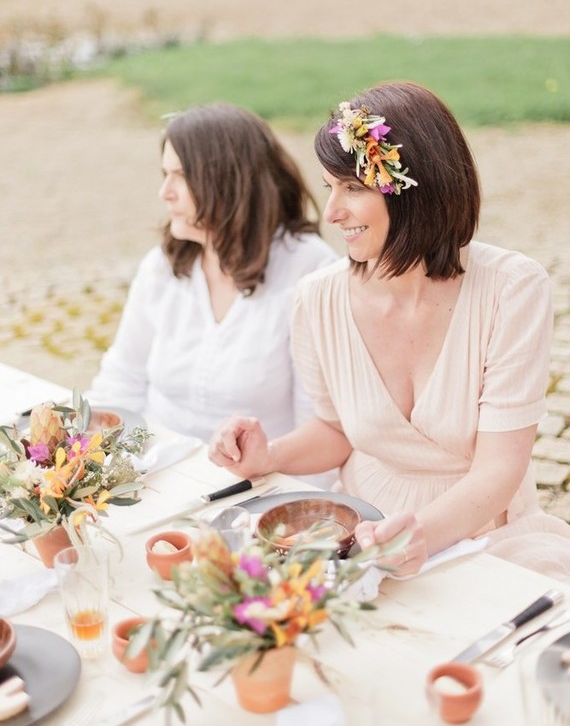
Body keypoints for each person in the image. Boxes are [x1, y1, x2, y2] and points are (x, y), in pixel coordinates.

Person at [208, 81, 570, 582]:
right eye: (330, 187)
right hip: (358, 527)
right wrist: (268, 457)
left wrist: (417, 536)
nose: (331, 212)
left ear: (415, 189)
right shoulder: (317, 298)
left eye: (353, 188)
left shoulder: (512, 289)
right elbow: (336, 431)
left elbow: (499, 469)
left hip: (483, 529)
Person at [88, 103, 339, 480]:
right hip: (153, 474)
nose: (164, 192)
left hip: (258, 488)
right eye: (165, 175)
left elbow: (321, 427)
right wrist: (94, 467)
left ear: (228, 181)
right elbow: (121, 381)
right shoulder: (162, 266)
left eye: (181, 176)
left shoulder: (309, 272)